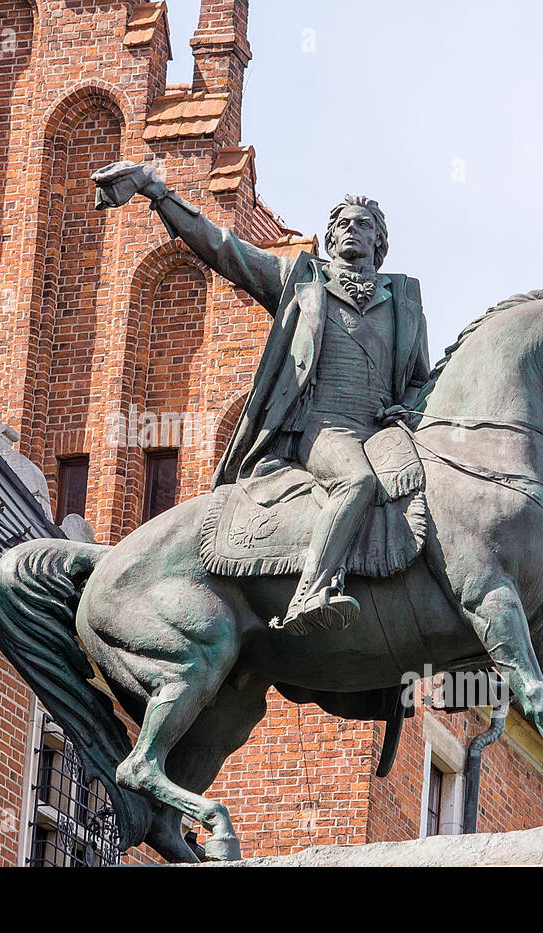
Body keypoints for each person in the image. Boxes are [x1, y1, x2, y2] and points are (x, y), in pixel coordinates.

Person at [93, 161, 430, 635]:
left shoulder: (406, 301)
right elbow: (224, 249)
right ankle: (312, 590)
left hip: (380, 430)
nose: (352, 230)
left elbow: (418, 378)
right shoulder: (301, 282)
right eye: (342, 224)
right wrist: (159, 193)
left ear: (379, 241)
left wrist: (410, 406)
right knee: (356, 482)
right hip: (323, 428)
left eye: (364, 224)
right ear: (330, 240)